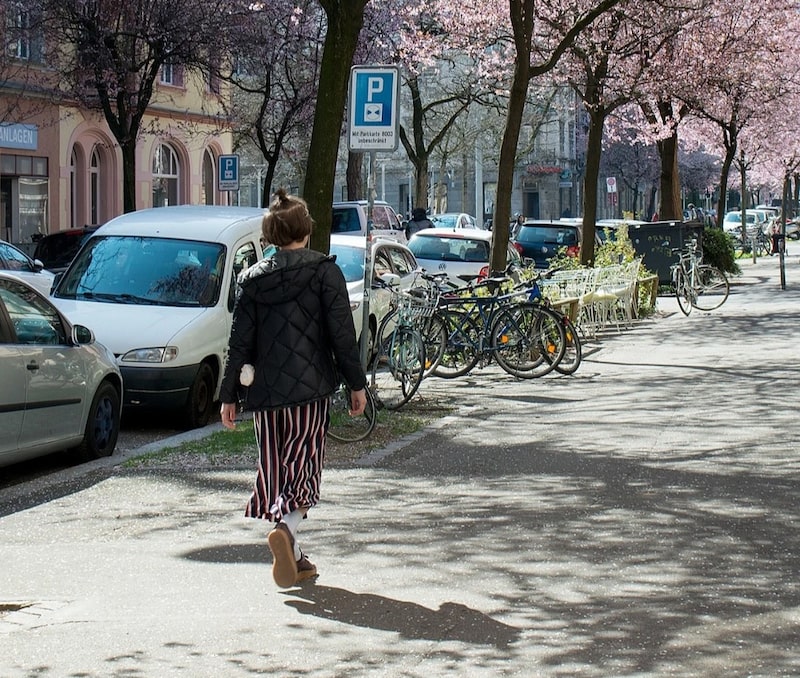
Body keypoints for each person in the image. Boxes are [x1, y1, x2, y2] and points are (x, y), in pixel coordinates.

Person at [219, 188, 367, 589]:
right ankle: (285, 531)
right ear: (307, 231)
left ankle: (296, 557)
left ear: (269, 237)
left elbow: (239, 344)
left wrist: (229, 394)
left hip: (265, 395)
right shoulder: (325, 273)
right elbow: (342, 336)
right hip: (310, 390)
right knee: (304, 467)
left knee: (274, 468)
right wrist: (357, 385)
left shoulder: (251, 281)